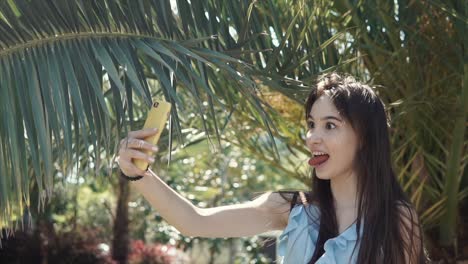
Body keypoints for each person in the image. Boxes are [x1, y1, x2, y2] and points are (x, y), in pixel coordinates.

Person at [117, 72, 427, 263]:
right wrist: (138, 173)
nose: (312, 138)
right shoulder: (292, 208)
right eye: (311, 125)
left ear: (365, 139)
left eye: (330, 126)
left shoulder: (395, 219)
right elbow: (195, 221)